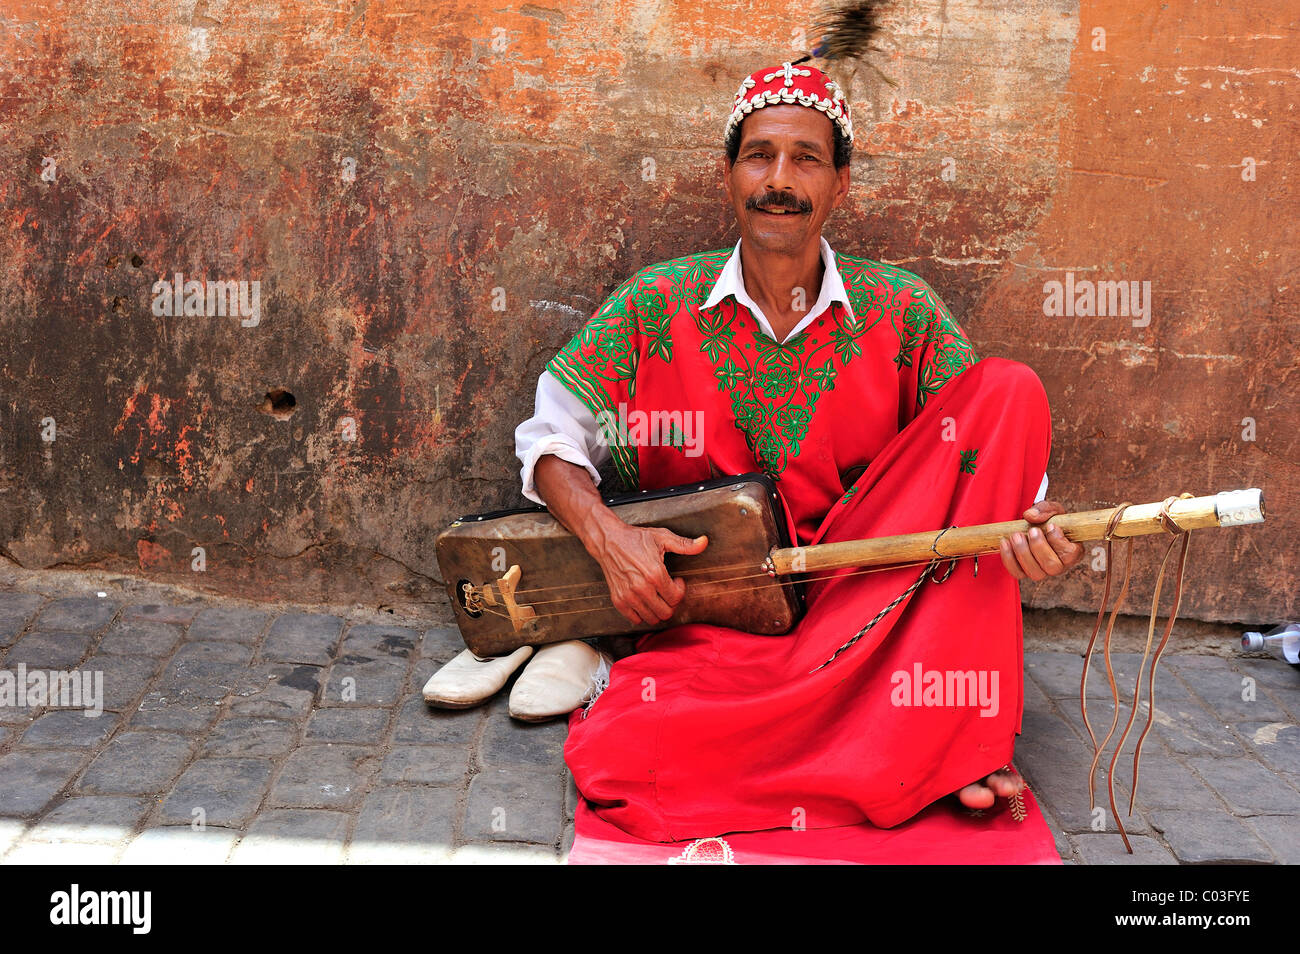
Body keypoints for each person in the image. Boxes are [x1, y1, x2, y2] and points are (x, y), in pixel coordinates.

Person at [424, 62, 1083, 838]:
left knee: (1008, 386)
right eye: (759, 155)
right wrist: (611, 543)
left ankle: (952, 734)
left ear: (842, 185)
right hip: (720, 623)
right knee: (630, 752)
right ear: (727, 175)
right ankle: (894, 743)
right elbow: (550, 440)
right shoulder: (654, 304)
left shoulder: (904, 312)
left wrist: (1039, 533)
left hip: (873, 607)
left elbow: (1000, 478)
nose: (780, 179)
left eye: (806, 159)